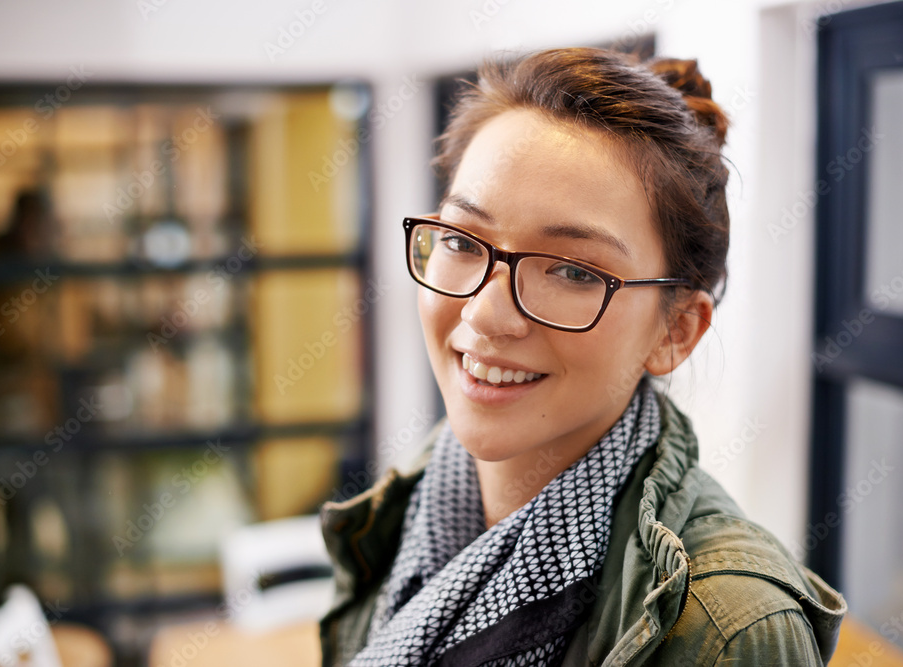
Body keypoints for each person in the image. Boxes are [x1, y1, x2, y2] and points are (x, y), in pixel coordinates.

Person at [319, 47, 847, 666]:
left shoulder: (729, 627)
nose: (485, 314)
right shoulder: (412, 503)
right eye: (463, 240)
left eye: (573, 270)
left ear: (675, 330)